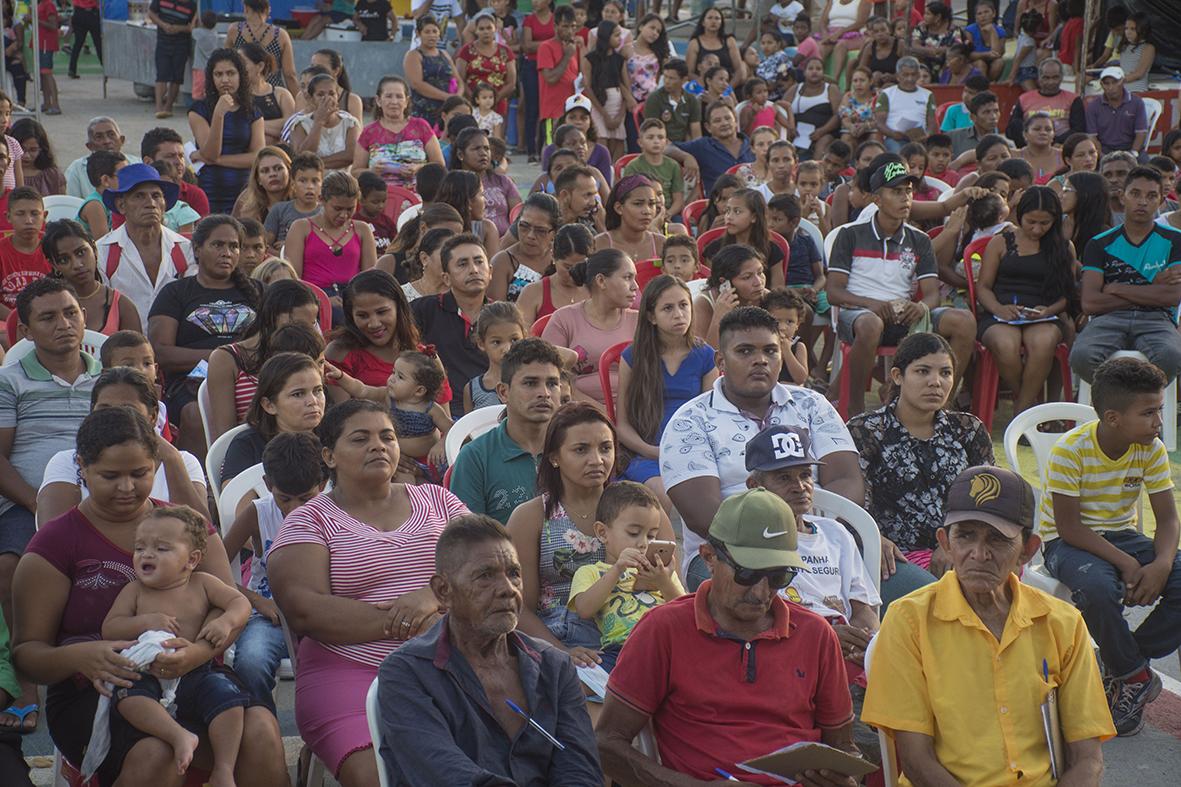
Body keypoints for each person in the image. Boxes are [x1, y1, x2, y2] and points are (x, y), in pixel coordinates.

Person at [13, 406, 288, 786]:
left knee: (259, 730)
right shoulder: (55, 544)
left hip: (196, 673)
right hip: (103, 690)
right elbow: (27, 655)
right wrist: (81, 656)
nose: (126, 487)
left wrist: (198, 653)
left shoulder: (187, 530)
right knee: (156, 752)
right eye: (110, 476)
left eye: (139, 473)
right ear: (82, 467)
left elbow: (228, 605)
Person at [863, 465, 1114, 781]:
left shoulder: (1063, 623)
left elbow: (1087, 759)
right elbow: (916, 761)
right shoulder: (909, 620)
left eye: (997, 539)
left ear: (1028, 550)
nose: (978, 554)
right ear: (945, 542)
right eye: (965, 535)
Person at [596, 487, 861, 786]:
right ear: (709, 557)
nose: (761, 592)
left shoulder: (816, 634)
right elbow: (606, 743)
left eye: (778, 577)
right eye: (746, 574)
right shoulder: (664, 629)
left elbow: (842, 746)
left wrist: (841, 778)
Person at [267, 399, 467, 787]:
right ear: (328, 455)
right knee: (377, 775)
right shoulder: (311, 519)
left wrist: (429, 597)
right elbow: (306, 610)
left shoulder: (440, 501)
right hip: (348, 669)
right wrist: (411, 623)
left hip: (454, 659)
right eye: (361, 439)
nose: (378, 446)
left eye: (387, 437)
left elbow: (487, 567)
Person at [377, 513, 603, 784]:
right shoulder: (407, 673)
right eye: (485, 576)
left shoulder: (555, 666)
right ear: (443, 591)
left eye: (514, 574)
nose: (508, 589)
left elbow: (580, 769)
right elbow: (445, 775)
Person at [661, 306, 863, 589]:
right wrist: (780, 545)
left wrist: (817, 540)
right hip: (729, 554)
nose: (760, 361)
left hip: (822, 544)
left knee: (909, 588)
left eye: (770, 351)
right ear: (721, 361)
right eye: (745, 352)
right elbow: (703, 515)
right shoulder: (690, 421)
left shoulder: (812, 405)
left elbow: (847, 480)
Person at [1040, 356, 1181, 736]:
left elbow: (1167, 520)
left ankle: (1125, 664)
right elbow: (1069, 527)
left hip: (1121, 535)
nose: (1159, 421)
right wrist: (1129, 565)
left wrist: (1162, 564)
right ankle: (1135, 675)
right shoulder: (1071, 449)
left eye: (1159, 410)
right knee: (1099, 589)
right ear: (1113, 417)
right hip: (1067, 541)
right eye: (1149, 412)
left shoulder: (1149, 449)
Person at [0, 279, 101, 726]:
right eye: (48, 317)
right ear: (25, 330)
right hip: (27, 500)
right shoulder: (9, 381)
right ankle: (25, 677)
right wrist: (39, 507)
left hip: (105, 498)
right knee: (9, 566)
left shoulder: (110, 375)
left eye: (71, 312)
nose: (64, 324)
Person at [507, 402, 674, 665]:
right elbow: (519, 607)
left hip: (636, 632)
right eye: (581, 450)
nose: (597, 460)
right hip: (562, 636)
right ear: (554, 457)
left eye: (606, 448)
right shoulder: (531, 517)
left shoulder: (643, 509)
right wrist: (560, 652)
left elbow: (671, 588)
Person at [100, 505, 252, 786]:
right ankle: (177, 735)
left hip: (196, 671)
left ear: (192, 560)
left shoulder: (203, 583)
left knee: (229, 699)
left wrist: (226, 622)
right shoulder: (134, 591)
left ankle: (223, 769)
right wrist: (144, 621)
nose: (146, 554)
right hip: (147, 672)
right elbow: (110, 628)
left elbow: (240, 602)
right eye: (140, 547)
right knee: (128, 699)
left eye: (161, 548)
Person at [846, 331, 995, 606]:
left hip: (964, 549)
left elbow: (986, 500)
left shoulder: (967, 430)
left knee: (997, 595)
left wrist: (953, 541)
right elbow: (850, 506)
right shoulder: (865, 431)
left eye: (946, 373)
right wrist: (874, 538)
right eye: (923, 371)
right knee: (943, 602)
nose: (935, 382)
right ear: (897, 376)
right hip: (892, 556)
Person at [828, 157, 977, 414]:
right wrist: (872, 305)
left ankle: (942, 405)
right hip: (859, 315)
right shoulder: (850, 235)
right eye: (896, 192)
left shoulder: (918, 239)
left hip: (904, 316)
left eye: (908, 191)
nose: (905, 198)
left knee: (964, 320)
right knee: (871, 323)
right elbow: (834, 293)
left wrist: (919, 307)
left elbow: (932, 295)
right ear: (876, 198)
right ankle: (854, 408)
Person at [744, 425, 880, 646]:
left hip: (846, 647)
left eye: (805, 474)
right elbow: (758, 619)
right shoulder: (746, 539)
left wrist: (866, 642)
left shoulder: (835, 533)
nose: (799, 487)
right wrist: (824, 638)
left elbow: (863, 610)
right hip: (788, 645)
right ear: (754, 486)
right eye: (784, 478)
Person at [220, 432, 326, 711]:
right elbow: (213, 570)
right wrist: (259, 602)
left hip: (327, 614)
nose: (295, 510)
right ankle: (263, 729)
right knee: (251, 661)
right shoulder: (258, 513)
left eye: (306, 498)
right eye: (285, 499)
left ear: (324, 484)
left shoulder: (336, 511)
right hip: (269, 618)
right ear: (268, 485)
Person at [36, 366, 208, 527]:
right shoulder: (67, 461)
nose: (115, 418)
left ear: (153, 416)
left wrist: (171, 458)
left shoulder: (182, 461)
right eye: (104, 409)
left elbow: (201, 537)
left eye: (128, 409)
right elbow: (53, 541)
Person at [1070, 167, 1181, 384]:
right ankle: (1122, 406)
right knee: (1082, 357)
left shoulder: (1175, 240)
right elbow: (1091, 303)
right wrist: (1152, 287)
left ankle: (1135, 409)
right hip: (1108, 319)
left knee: (1170, 357)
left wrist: (1118, 288)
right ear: (1123, 197)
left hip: (1157, 319)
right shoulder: (1099, 243)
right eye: (1135, 194)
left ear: (1161, 202)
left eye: (1151, 196)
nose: (1142, 202)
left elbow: (1171, 297)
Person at [616, 274, 716, 509]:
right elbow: (622, 426)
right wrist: (654, 451)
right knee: (664, 494)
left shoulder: (705, 355)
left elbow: (711, 417)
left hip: (695, 448)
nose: (679, 314)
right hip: (648, 453)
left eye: (684, 305)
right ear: (651, 316)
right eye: (668, 308)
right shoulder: (633, 357)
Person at [974, 186, 1076, 414]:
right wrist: (999, 308)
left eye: (1045, 223)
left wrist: (1048, 310)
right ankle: (1030, 408)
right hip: (1000, 314)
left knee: (1043, 343)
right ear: (1020, 215)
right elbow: (983, 287)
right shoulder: (1001, 243)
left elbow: (1068, 295)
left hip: (1044, 315)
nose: (1037, 229)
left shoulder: (1063, 247)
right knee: (1005, 345)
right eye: (1031, 222)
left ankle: (1021, 413)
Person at [569, 481, 685, 672]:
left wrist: (664, 582)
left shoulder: (661, 572)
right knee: (579, 680)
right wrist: (616, 570)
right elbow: (584, 609)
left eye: (651, 536)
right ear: (602, 533)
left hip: (666, 644)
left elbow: (685, 612)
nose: (643, 544)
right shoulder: (591, 572)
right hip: (621, 649)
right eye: (633, 533)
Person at [451, 338, 563, 523]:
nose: (544, 393)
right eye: (530, 383)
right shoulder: (475, 457)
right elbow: (467, 539)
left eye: (552, 383)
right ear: (503, 392)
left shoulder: (575, 447)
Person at [205, 279, 320, 441]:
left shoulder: (308, 353)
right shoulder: (227, 358)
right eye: (298, 323)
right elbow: (225, 433)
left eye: (312, 323)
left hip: (307, 445)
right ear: (271, 317)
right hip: (250, 450)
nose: (306, 331)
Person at [542, 248, 638, 406]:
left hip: (634, 411)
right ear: (601, 281)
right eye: (627, 278)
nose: (635, 286)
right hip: (577, 413)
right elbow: (549, 374)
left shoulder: (640, 321)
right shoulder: (564, 319)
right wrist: (599, 411)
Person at [411, 234, 492, 418]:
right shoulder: (423, 310)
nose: (473, 270)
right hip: (438, 413)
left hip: (493, 411)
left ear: (491, 271)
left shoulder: (502, 315)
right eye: (463, 264)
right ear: (446, 278)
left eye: (479, 262)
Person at [286, 171, 378, 311]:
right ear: (322, 200)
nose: (344, 215)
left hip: (353, 298)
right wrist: (322, 300)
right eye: (337, 208)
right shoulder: (301, 228)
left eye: (350, 209)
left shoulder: (362, 230)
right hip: (311, 299)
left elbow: (370, 278)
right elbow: (293, 279)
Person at [188, 49, 265, 214]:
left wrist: (216, 159)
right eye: (218, 74)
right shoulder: (199, 110)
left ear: (240, 76)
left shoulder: (252, 111)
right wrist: (218, 114)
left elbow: (256, 157)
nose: (225, 80)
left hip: (244, 190)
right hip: (211, 188)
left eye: (230, 73)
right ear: (211, 78)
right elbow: (210, 153)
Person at [42, 219, 140, 336]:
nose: (77, 264)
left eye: (81, 253)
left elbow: (136, 352)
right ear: (54, 265)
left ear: (94, 249)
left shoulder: (121, 306)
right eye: (64, 259)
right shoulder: (44, 307)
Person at [326, 269, 421, 387]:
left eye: (381, 312)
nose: (374, 324)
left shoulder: (423, 354)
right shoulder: (340, 353)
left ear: (399, 308)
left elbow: (440, 404)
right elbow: (342, 405)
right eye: (362, 316)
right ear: (351, 315)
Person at [353, 76, 446, 190]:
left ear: (406, 101)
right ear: (378, 100)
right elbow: (355, 172)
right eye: (388, 96)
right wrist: (371, 172)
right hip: (379, 201)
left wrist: (418, 168)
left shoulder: (421, 126)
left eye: (399, 96)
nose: (394, 101)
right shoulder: (369, 132)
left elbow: (439, 165)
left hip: (419, 198)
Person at [665, 102, 753, 196]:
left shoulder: (753, 144)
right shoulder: (701, 146)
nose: (724, 123)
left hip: (753, 203)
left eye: (728, 118)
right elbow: (666, 147)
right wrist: (686, 157)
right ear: (708, 127)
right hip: (718, 206)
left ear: (735, 121)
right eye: (717, 121)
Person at [517, 223, 592, 326]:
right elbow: (521, 336)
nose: (575, 273)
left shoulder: (597, 291)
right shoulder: (533, 293)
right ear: (553, 256)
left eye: (581, 266)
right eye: (568, 267)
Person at [451, 127, 521, 237]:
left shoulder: (503, 181)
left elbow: (518, 216)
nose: (483, 153)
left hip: (507, 242)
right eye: (476, 149)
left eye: (486, 148)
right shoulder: (454, 184)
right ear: (460, 155)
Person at [1006, 58, 1085, 146]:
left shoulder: (1073, 99)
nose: (1051, 82)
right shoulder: (1024, 99)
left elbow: (1078, 130)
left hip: (1060, 146)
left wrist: (1054, 142)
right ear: (1039, 78)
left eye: (1055, 77)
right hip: (1029, 147)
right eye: (1046, 78)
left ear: (1062, 77)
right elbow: (1010, 130)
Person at [289, 73, 358, 171]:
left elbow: (351, 155)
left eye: (331, 93)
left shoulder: (350, 123)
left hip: (344, 182)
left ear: (337, 96)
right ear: (312, 99)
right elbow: (303, 158)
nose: (327, 98)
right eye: (320, 94)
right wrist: (318, 122)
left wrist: (314, 164)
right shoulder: (300, 124)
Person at [224, 0, 298, 92]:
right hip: (273, 92)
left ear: (246, 8)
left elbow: (226, 63)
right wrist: (298, 101)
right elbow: (289, 74)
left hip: (244, 91)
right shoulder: (280, 35)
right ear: (268, 10)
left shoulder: (235, 30)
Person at [456, 13, 517, 121]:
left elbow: (511, 83)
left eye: (489, 28)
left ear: (495, 29)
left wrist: (493, 100)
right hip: (472, 104)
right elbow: (460, 79)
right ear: (476, 31)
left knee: (497, 137)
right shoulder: (466, 51)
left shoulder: (505, 51)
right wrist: (476, 100)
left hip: (498, 103)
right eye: (482, 28)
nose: (485, 31)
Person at [141, 127, 210, 219]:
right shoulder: (130, 195)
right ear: (148, 162)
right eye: (170, 156)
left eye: (181, 156)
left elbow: (202, 232)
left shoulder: (195, 194)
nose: (179, 162)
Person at [404, 17, 459, 132]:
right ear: (418, 34)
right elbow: (417, 84)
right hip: (423, 111)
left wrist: (458, 96)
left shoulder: (444, 54)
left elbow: (458, 79)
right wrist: (446, 97)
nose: (432, 35)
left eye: (435, 31)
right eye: (427, 32)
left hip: (446, 110)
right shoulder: (413, 55)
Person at [0, 188, 48, 315]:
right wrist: (18, 320)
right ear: (8, 217)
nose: (28, 220)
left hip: (49, 320)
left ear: (44, 216)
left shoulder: (54, 247)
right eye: (20, 214)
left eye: (34, 213)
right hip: (6, 321)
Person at [64, 118, 137, 199]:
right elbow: (72, 203)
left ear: (122, 140)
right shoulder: (77, 169)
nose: (107, 141)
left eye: (111, 135)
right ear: (90, 146)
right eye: (99, 137)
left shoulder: (137, 164)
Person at [874, 57, 935, 154]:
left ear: (918, 75)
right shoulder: (887, 94)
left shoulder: (928, 95)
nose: (910, 79)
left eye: (913, 75)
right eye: (905, 75)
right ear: (898, 76)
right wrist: (893, 134)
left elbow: (931, 124)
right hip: (895, 138)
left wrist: (927, 135)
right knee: (899, 154)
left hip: (919, 139)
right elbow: (879, 123)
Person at [784, 57, 841, 159]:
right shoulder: (795, 89)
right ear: (804, 72)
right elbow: (782, 110)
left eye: (818, 69)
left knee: (823, 144)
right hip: (797, 133)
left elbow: (838, 115)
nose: (814, 71)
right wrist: (790, 127)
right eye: (810, 69)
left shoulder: (831, 89)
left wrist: (822, 131)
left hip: (824, 132)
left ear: (823, 72)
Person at [262, 152, 321, 250]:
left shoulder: (325, 213)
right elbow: (265, 245)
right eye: (303, 181)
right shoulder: (279, 210)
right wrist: (282, 257)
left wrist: (291, 244)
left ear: (322, 184)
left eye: (315, 181)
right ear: (293, 184)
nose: (309, 187)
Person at [148, 0, 197, 119]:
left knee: (176, 77)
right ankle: (159, 107)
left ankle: (168, 107)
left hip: (181, 44)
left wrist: (178, 28)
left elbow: (192, 26)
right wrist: (163, 24)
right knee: (161, 75)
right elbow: (151, 13)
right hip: (163, 42)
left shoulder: (192, 5)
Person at [1085, 67, 1148, 155]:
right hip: (1105, 149)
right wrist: (1101, 156)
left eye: (1115, 82)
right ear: (1101, 84)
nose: (1111, 87)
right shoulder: (1093, 106)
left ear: (1123, 81)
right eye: (1106, 83)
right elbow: (1092, 137)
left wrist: (1133, 153)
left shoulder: (1137, 103)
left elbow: (1141, 133)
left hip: (1130, 147)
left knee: (1148, 166)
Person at [642, 58, 702, 143]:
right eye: (665, 77)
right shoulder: (654, 98)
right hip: (661, 145)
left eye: (671, 78)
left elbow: (696, 134)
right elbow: (651, 132)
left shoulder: (691, 100)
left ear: (684, 80)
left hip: (685, 146)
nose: (667, 81)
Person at [685, 8, 745, 90]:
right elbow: (689, 72)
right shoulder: (694, 43)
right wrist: (706, 87)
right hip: (703, 87)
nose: (713, 21)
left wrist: (728, 90)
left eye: (717, 18)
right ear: (703, 22)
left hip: (728, 85)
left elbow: (739, 70)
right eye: (710, 18)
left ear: (721, 22)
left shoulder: (729, 41)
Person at [232, 146, 292, 226]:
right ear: (258, 179)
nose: (272, 174)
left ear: (289, 171)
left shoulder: (303, 202)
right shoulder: (246, 201)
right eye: (265, 171)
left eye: (278, 168)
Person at [909, 1, 968, 77]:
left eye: (928, 14)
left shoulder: (953, 30)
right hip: (924, 64)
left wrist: (934, 51)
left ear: (938, 17)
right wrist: (934, 51)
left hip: (947, 65)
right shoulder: (921, 28)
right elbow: (915, 46)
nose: (924, 16)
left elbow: (956, 49)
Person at [947, 90, 1006, 163]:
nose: (993, 117)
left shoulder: (1007, 145)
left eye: (996, 111)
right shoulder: (953, 138)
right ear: (972, 117)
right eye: (986, 112)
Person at [10, 118, 63, 197]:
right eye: (21, 149)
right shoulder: (6, 174)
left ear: (42, 149)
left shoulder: (51, 175)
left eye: (33, 150)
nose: (26, 156)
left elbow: (61, 202)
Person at [1117, 12, 1156, 94]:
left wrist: (1117, 81)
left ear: (1143, 30)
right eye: (1126, 28)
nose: (1128, 32)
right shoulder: (1125, 46)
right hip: (1122, 91)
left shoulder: (1148, 48)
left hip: (1137, 91)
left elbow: (1139, 73)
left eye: (1132, 29)